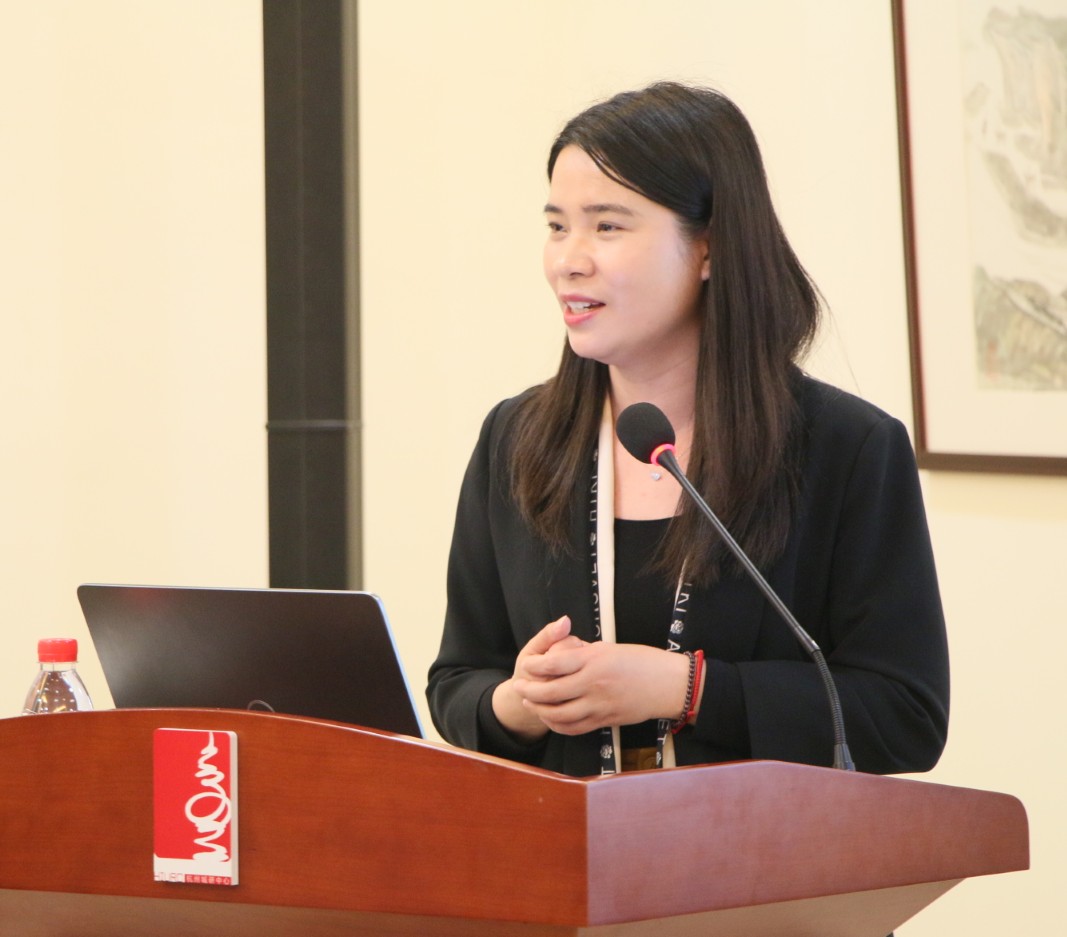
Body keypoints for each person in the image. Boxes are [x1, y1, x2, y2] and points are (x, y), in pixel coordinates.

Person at [427, 81, 949, 778]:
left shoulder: (846, 448)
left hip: (754, 846)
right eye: (556, 226)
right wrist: (520, 703)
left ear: (708, 248)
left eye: (607, 227)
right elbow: (457, 680)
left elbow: (905, 717)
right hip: (561, 842)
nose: (568, 259)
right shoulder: (516, 437)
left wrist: (689, 688)